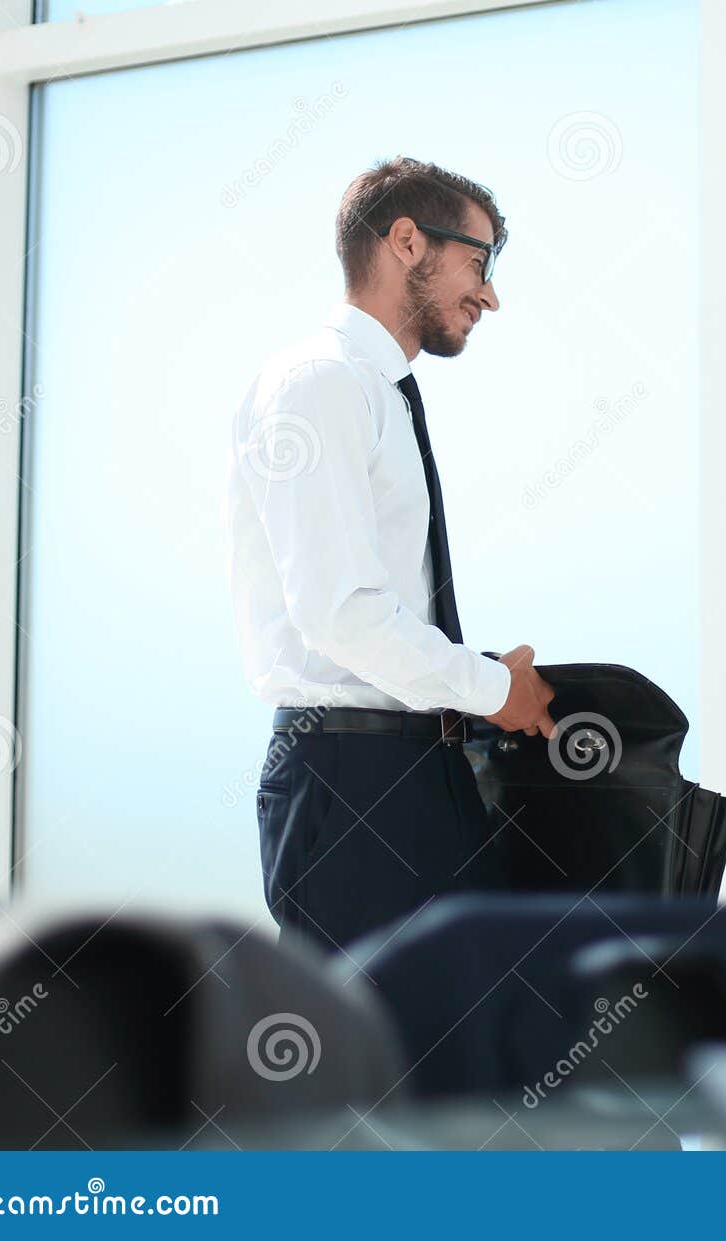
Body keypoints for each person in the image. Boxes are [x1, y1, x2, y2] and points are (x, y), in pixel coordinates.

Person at [226, 156, 556, 952]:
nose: (489, 292)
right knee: (370, 1061)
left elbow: (375, 608)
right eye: (478, 262)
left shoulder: (377, 388)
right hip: (352, 780)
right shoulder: (320, 384)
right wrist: (486, 687)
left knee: (455, 1052)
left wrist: (478, 681)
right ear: (407, 242)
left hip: (416, 768)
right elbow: (340, 614)